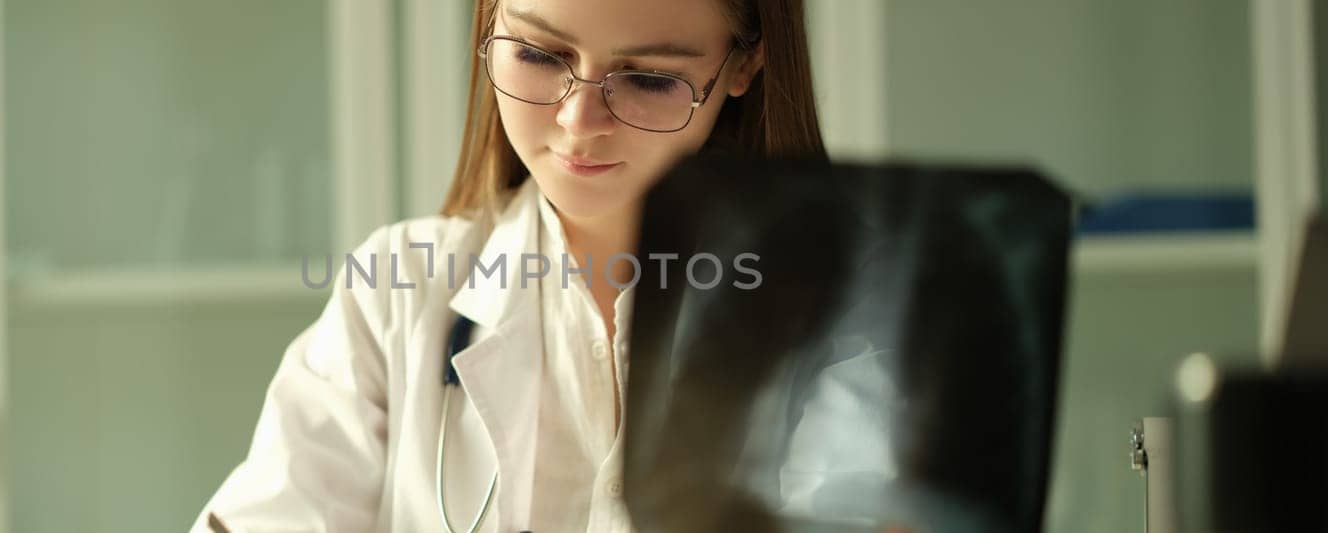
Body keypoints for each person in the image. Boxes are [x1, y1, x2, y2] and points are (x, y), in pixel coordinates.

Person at [192, 0, 893, 530]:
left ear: (742, 67)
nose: (579, 120)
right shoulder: (394, 294)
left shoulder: (860, 316)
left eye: (648, 78)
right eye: (538, 56)